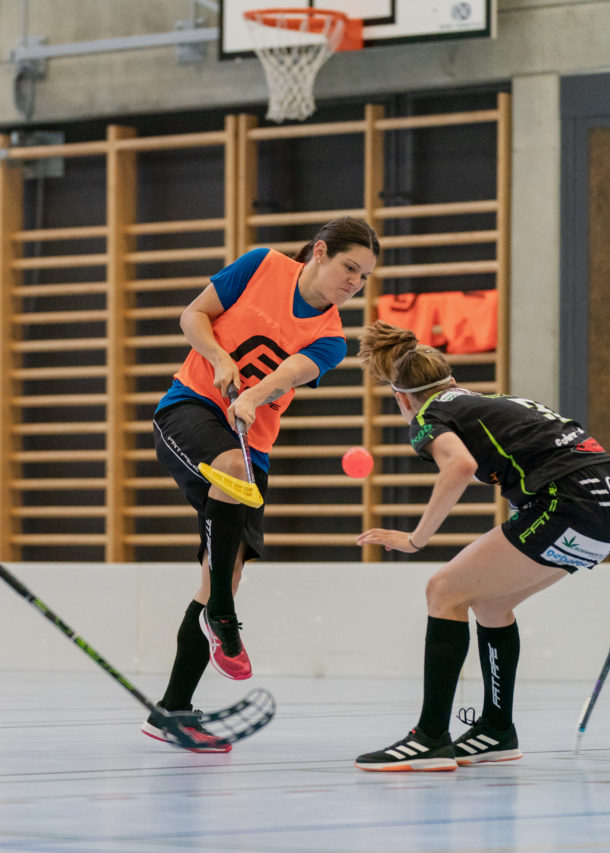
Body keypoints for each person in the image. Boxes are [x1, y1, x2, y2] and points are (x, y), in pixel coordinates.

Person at [352, 320, 610, 771]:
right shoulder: (494, 401)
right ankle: (497, 730)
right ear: (452, 380)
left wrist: (416, 538)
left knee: (443, 590)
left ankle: (430, 737)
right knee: (491, 606)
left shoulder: (428, 417)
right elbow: (587, 462)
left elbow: (458, 467)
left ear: (401, 397)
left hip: (567, 505)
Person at [141, 217, 380, 752]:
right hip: (189, 409)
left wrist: (251, 397)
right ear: (319, 252)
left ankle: (172, 710)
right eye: (349, 268)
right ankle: (224, 618)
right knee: (226, 470)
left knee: (218, 573)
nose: (355, 283)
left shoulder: (331, 338)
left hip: (253, 445)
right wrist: (220, 359)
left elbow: (284, 377)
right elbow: (193, 315)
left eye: (364, 277)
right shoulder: (262, 266)